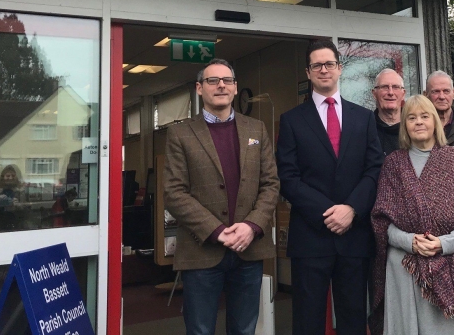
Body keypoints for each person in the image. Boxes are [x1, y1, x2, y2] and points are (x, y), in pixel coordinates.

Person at [276, 39, 384, 335]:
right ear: (308, 72)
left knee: (353, 318)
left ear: (340, 69)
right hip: (311, 236)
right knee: (308, 319)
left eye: (329, 64)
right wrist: (328, 211)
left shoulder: (363, 118)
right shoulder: (291, 121)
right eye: (317, 65)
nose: (324, 70)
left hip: (354, 235)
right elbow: (287, 177)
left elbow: (374, 169)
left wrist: (352, 209)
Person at [164, 58, 279, 335]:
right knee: (200, 330)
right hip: (202, 250)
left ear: (236, 88)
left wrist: (251, 227)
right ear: (199, 88)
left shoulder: (257, 129)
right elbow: (174, 192)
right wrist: (217, 231)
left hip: (248, 249)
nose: (221, 86)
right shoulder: (180, 133)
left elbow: (271, 184)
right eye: (212, 81)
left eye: (227, 80)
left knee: (244, 329)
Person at [370, 95, 454, 335]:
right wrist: (410, 242)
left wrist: (445, 244)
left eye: (424, 116)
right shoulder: (393, 164)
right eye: (411, 118)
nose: (419, 122)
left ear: (435, 121)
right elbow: (382, 220)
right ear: (405, 126)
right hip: (406, 264)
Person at [372, 68, 406, 157]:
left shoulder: (414, 127)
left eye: (395, 87)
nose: (390, 92)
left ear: (403, 94)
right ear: (374, 94)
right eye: (384, 87)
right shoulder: (366, 128)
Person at [0, 164, 26, 233]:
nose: (10, 178)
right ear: (2, 177)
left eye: (13, 176)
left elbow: (26, 214)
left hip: (17, 228)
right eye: (7, 176)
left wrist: (18, 206)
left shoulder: (21, 191)